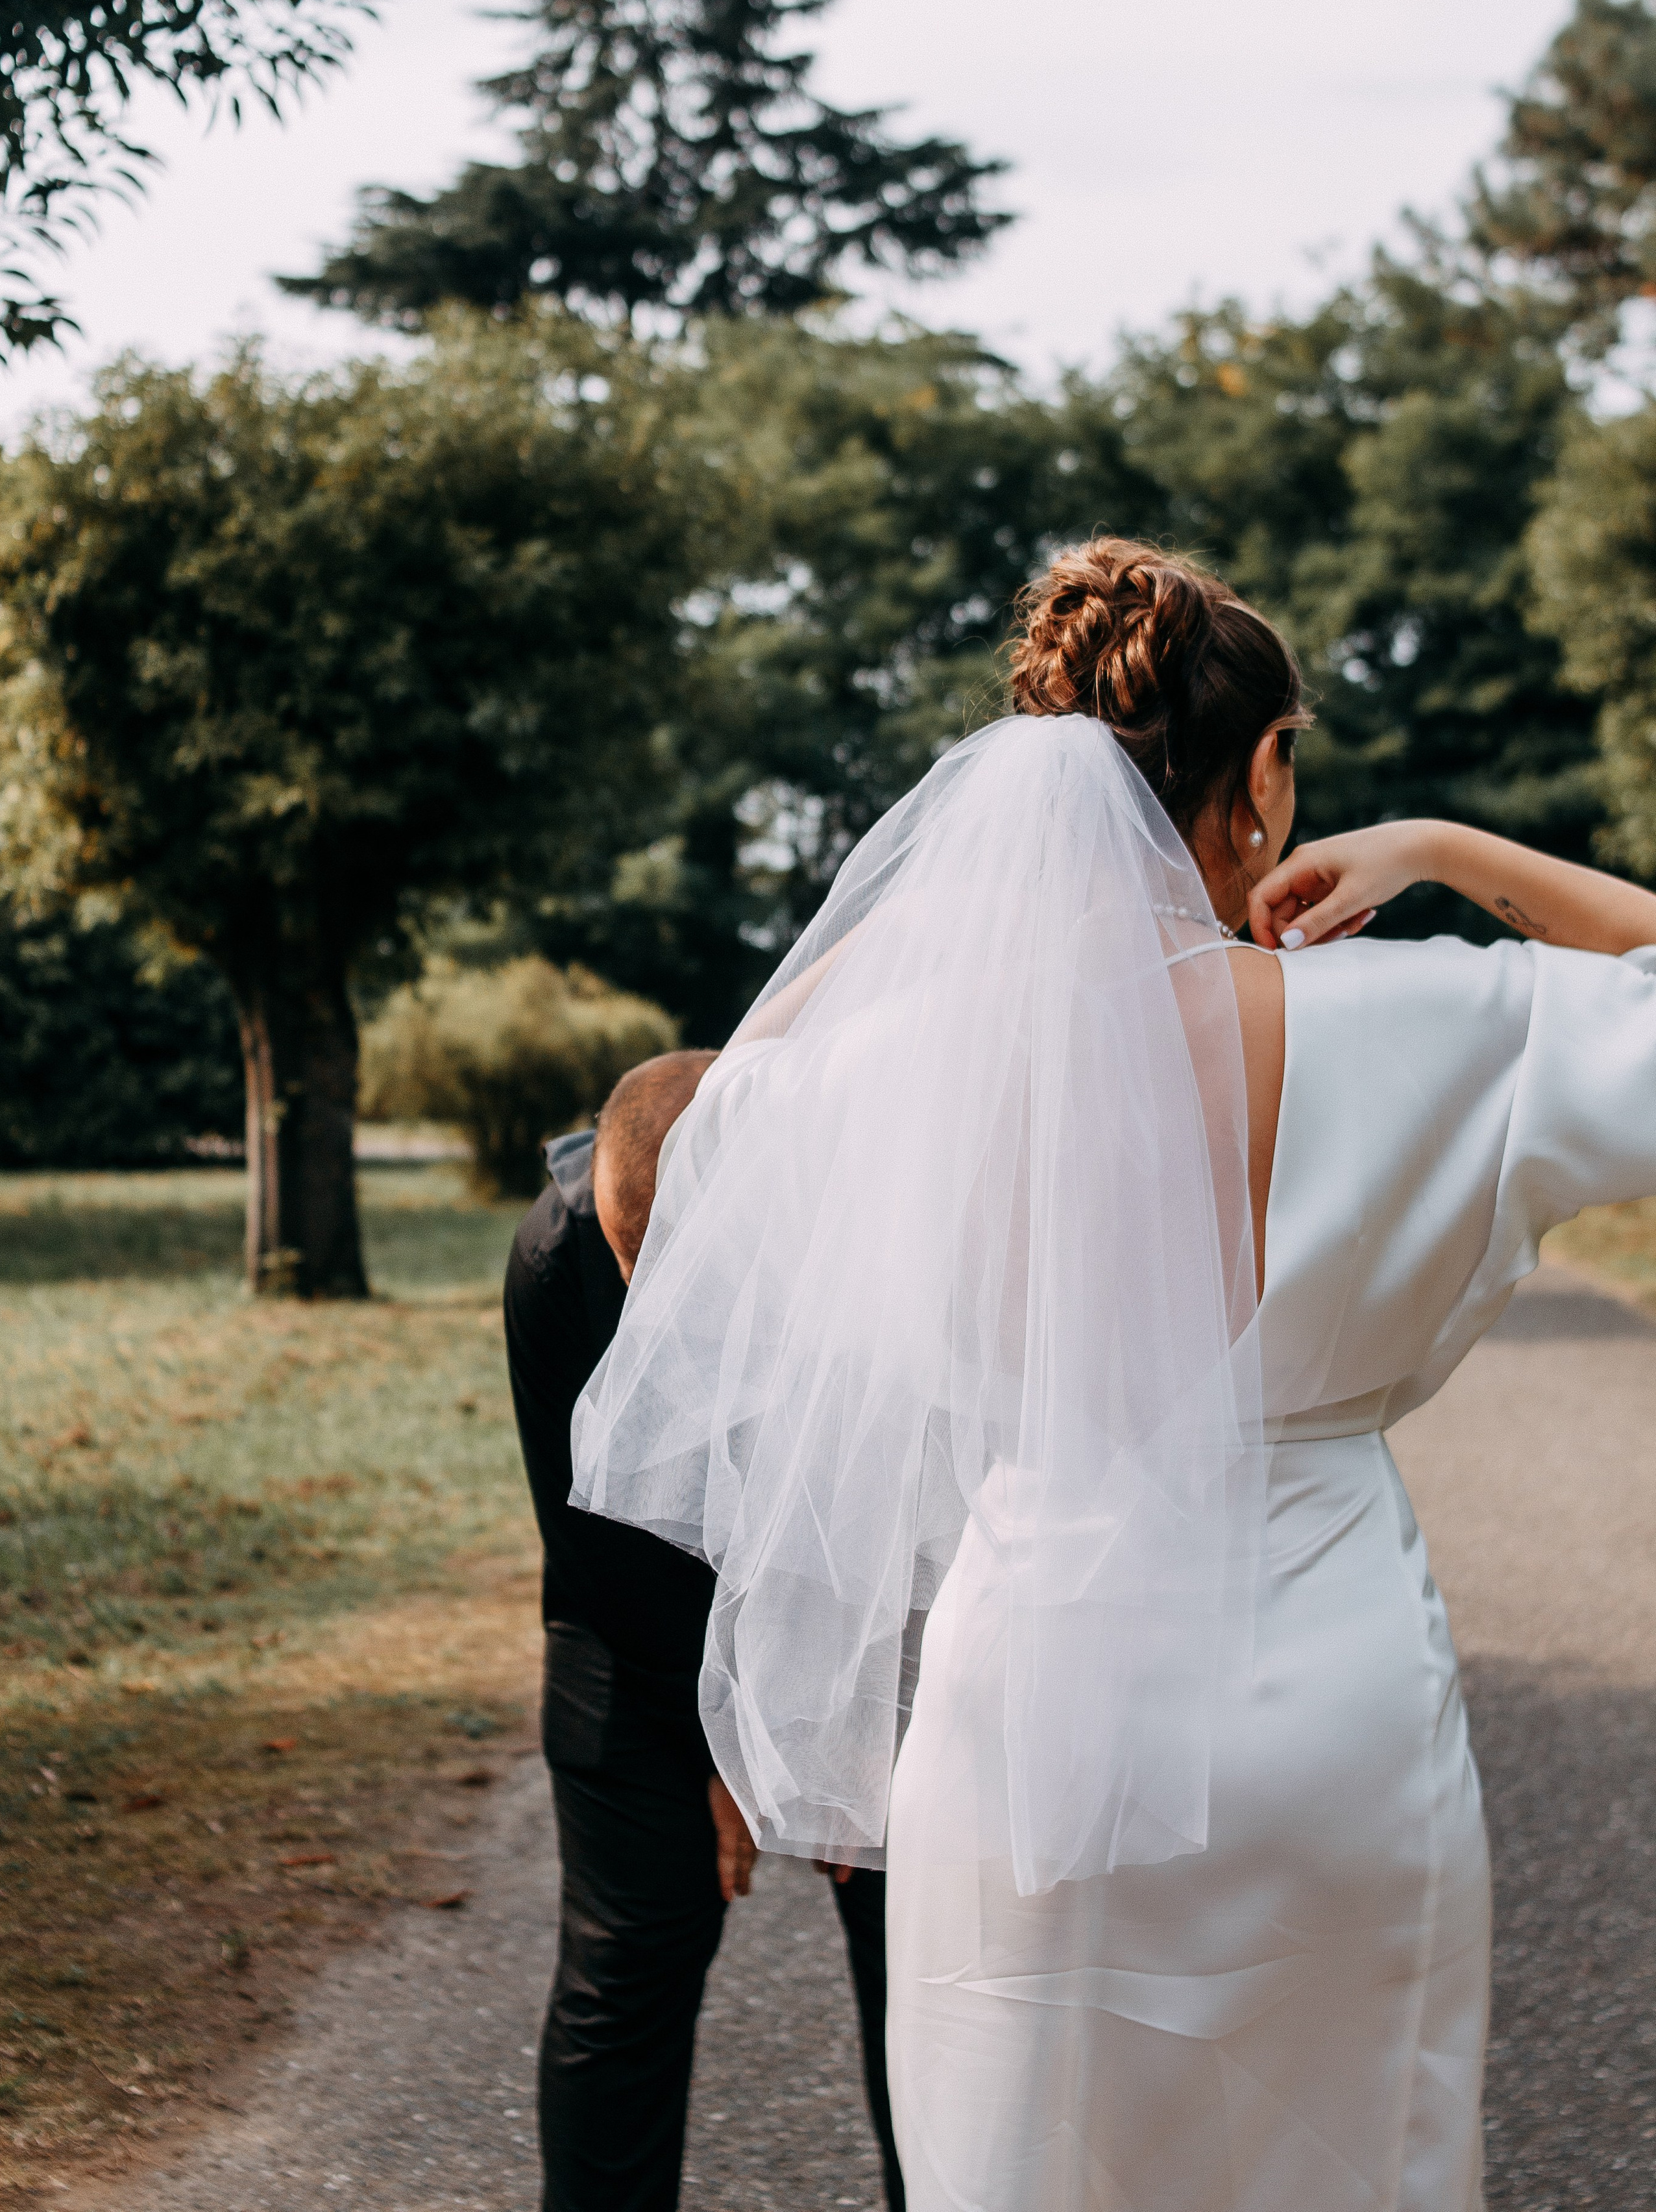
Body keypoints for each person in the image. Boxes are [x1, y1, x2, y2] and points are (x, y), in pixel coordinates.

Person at [568, 537, 1656, 2212]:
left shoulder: (907, 1070)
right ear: (1265, 774)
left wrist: (936, 920)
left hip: (1030, 1718)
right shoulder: (1428, 1021)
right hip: (1332, 1711)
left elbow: (666, 1153)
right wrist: (1440, 849)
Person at [507, 1048, 903, 2212]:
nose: (646, 1298)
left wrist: (808, 1714)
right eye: (628, 1253)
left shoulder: (876, 1235)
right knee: (626, 1963)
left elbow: (897, 1499)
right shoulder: (555, 1256)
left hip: (862, 1630)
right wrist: (724, 1733)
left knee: (923, 1956)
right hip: (637, 1638)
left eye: (674, 1265)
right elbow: (596, 1538)